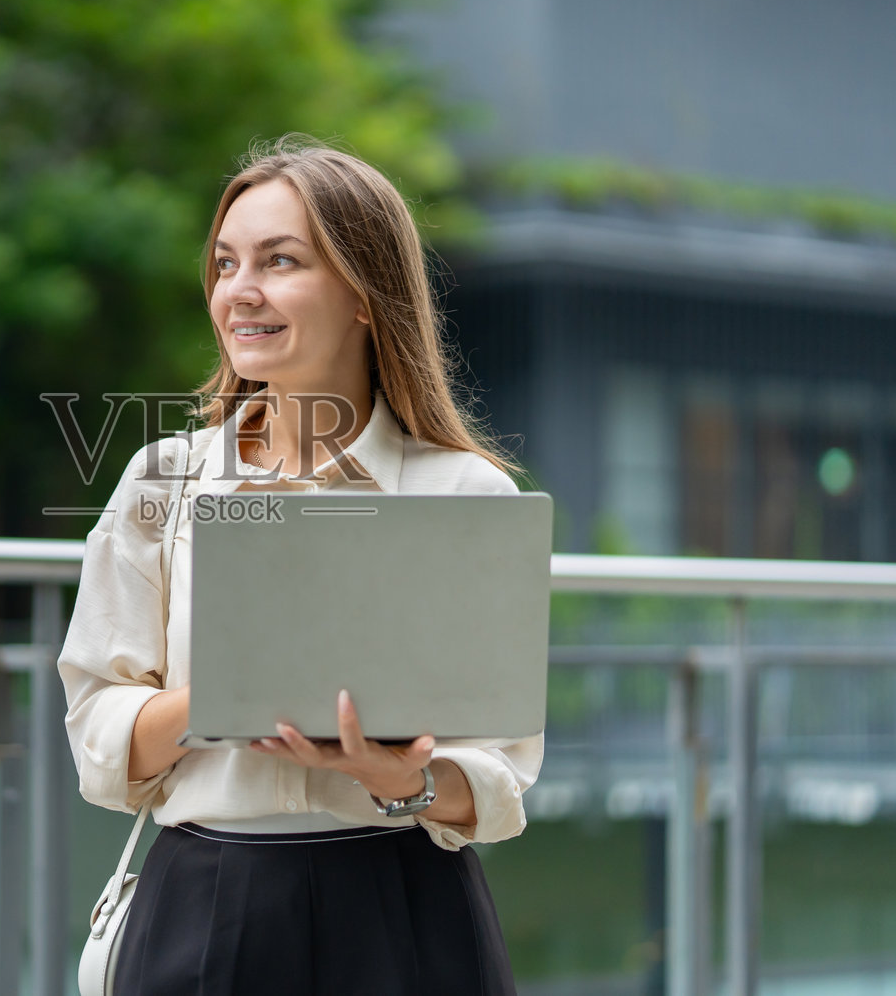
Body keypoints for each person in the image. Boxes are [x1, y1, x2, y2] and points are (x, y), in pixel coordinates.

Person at [58, 136, 543, 995]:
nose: (239, 292)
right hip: (204, 904)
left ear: (364, 292)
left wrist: (407, 780)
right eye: (225, 264)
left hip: (405, 905)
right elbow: (98, 735)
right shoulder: (162, 480)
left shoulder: (465, 491)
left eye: (280, 262)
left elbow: (504, 777)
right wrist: (219, 692)